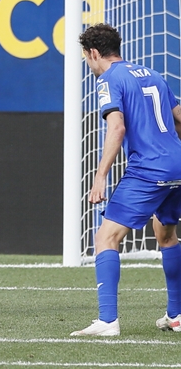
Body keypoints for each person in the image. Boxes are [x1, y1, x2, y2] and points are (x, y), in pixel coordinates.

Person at [72, 23, 181, 337]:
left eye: (87, 59)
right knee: (166, 235)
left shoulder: (108, 79)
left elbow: (117, 128)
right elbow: (177, 117)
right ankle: (176, 315)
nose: (89, 66)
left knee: (106, 238)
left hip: (148, 169)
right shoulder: (153, 74)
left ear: (94, 53)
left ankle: (107, 321)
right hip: (175, 165)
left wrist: (100, 176)